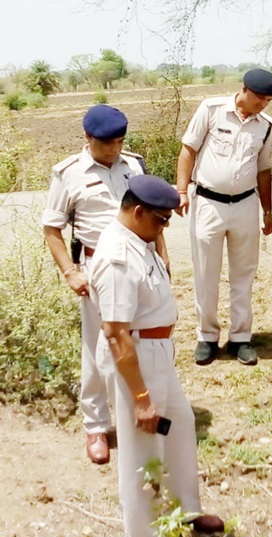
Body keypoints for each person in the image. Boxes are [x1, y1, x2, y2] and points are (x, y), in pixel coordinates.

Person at [89, 175, 224, 537]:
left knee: (180, 428)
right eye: (162, 219)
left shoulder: (139, 240)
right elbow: (116, 334)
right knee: (141, 451)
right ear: (138, 212)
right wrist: (141, 398)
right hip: (137, 358)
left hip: (156, 352)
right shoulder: (117, 256)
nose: (166, 226)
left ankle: (186, 511)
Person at [42, 104, 163, 465]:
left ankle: (139, 410)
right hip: (98, 267)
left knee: (142, 340)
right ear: (88, 138)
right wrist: (70, 272)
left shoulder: (134, 165)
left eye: (119, 142)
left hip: (141, 259)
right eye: (106, 143)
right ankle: (96, 425)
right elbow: (52, 228)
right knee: (98, 348)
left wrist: (162, 255)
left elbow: (152, 210)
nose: (113, 149)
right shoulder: (69, 173)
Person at [176, 68, 272, 366]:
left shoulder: (266, 125)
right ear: (244, 90)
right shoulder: (212, 110)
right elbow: (188, 150)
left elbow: (263, 169)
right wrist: (182, 190)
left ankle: (241, 337)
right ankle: (207, 336)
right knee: (206, 273)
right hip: (209, 202)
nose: (263, 104)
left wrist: (268, 210)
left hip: (245, 204)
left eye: (268, 100)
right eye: (259, 98)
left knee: (244, 273)